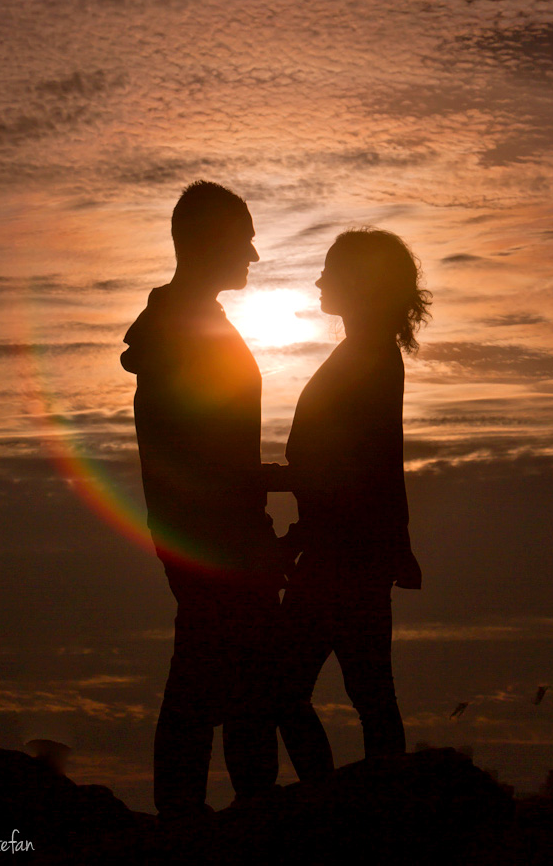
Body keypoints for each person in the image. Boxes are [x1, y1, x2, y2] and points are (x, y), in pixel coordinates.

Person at [121, 181, 283, 817]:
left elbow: (217, 458)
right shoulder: (185, 335)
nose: (254, 255)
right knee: (223, 694)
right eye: (243, 240)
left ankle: (199, 823)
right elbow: (206, 461)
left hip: (219, 537)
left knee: (223, 688)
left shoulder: (187, 326)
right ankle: (205, 829)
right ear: (212, 243)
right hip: (218, 544)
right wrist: (282, 492)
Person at [277, 228, 430, 781]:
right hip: (344, 549)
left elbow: (373, 462)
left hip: (341, 554)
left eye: (329, 270)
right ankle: (367, 800)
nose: (319, 279)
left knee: (289, 690)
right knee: (366, 693)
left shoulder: (369, 358)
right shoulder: (366, 355)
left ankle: (339, 799)